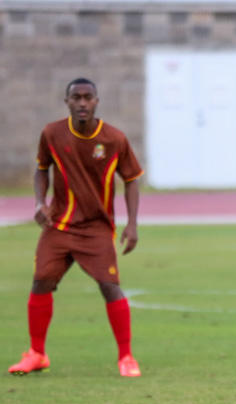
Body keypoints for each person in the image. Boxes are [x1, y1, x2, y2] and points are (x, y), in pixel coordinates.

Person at [8, 78, 144, 377]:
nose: (82, 103)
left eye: (88, 97)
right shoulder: (52, 133)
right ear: (67, 101)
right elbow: (41, 169)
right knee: (41, 282)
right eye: (76, 97)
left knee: (110, 286)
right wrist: (39, 202)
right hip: (58, 225)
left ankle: (126, 357)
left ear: (97, 101)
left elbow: (132, 179)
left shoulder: (114, 139)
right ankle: (37, 354)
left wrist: (132, 224)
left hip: (96, 227)